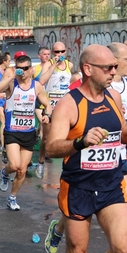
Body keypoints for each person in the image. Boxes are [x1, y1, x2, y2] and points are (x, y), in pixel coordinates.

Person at [46, 44, 127, 253]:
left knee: (123, 248)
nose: (114, 72)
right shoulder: (68, 104)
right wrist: (81, 141)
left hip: (111, 184)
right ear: (88, 69)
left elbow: (121, 135)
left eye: (115, 66)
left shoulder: (113, 97)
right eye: (108, 68)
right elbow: (51, 148)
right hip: (78, 188)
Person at [0, 55, 52, 210]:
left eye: (26, 68)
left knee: (22, 170)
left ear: (31, 69)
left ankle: (12, 197)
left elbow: (47, 104)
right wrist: (11, 76)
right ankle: (5, 173)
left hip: (28, 132)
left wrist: (47, 115)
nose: (23, 71)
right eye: (20, 68)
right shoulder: (12, 84)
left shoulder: (36, 86)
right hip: (12, 131)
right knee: (14, 164)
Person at [37, 42, 74, 179]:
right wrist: (54, 65)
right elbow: (41, 80)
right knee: (46, 138)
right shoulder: (49, 63)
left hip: (63, 106)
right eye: (56, 52)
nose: (59, 55)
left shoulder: (69, 65)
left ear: (65, 52)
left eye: (61, 52)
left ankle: (68, 165)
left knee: (67, 136)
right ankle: (41, 162)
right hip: (49, 105)